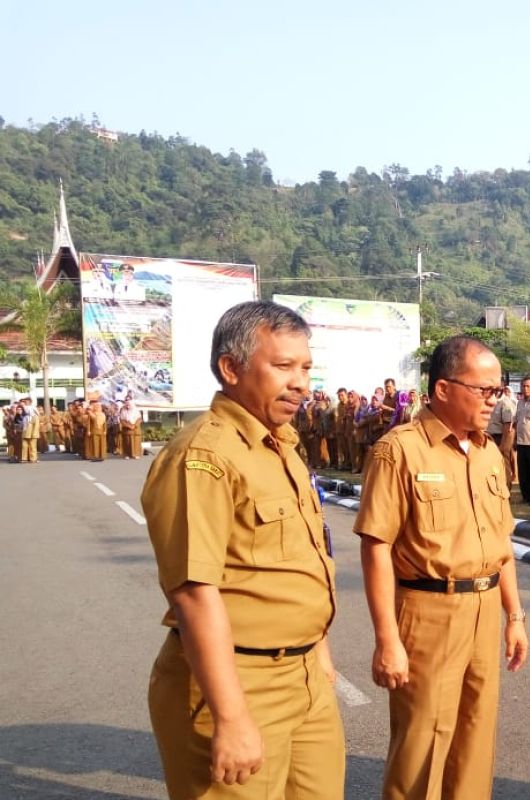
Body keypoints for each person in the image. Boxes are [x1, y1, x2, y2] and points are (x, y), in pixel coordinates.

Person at [142, 301, 343, 800]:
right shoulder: (204, 456)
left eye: (305, 368)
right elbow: (192, 591)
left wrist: (318, 651)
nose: (300, 382)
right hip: (236, 683)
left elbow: (298, 563)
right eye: (283, 366)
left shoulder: (281, 447)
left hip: (304, 679)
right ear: (231, 368)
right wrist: (230, 717)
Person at [355, 335, 528, 799]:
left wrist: (514, 616)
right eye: (485, 390)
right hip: (426, 610)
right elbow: (376, 547)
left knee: (474, 739)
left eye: (499, 390)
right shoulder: (401, 451)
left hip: (484, 607)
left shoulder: (489, 453)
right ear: (445, 388)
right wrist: (387, 639)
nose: (496, 400)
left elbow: (500, 541)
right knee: (422, 744)